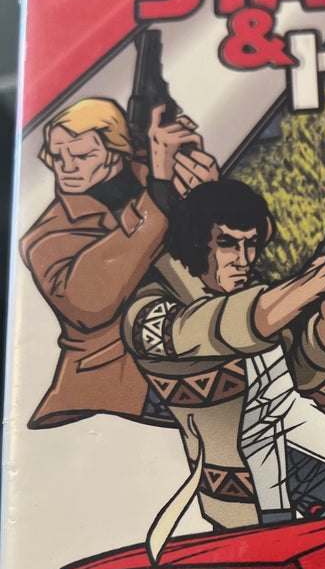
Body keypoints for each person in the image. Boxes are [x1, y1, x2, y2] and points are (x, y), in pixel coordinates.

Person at [123, 177, 325, 531]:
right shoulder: (148, 313)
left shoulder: (257, 294)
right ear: (195, 241)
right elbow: (217, 327)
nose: (244, 259)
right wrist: (313, 281)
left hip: (313, 451)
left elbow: (305, 373)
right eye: (227, 244)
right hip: (244, 482)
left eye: (251, 244)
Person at [21, 96, 217, 428]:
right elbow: (89, 302)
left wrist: (212, 194)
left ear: (115, 152)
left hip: (200, 339)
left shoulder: (153, 174)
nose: (66, 167)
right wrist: (160, 192)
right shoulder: (46, 236)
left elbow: (246, 244)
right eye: (57, 155)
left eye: (82, 155)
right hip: (122, 378)